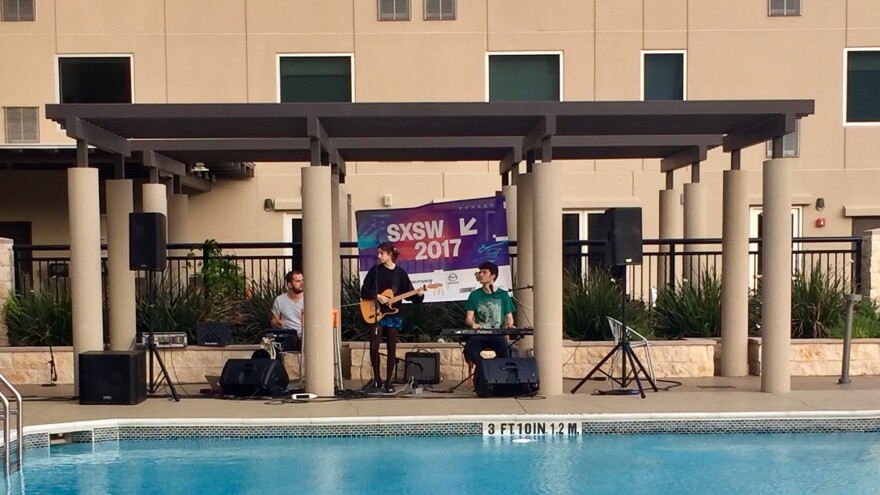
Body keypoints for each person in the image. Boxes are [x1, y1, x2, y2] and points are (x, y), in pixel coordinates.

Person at [360, 242, 425, 393]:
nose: (378, 256)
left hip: (394, 314)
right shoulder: (374, 271)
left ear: (389, 254)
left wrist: (419, 295)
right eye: (378, 253)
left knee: (391, 347)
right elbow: (364, 290)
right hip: (376, 313)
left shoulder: (400, 274)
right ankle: (377, 379)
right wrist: (377, 296)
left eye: (381, 253)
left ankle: (389, 381)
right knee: (374, 346)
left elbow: (410, 295)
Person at [464, 261, 515, 366]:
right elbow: (469, 318)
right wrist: (473, 324)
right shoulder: (474, 295)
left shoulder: (503, 294)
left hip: (497, 334)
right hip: (480, 334)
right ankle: (485, 368)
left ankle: (493, 370)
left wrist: (509, 325)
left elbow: (509, 317)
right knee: (470, 352)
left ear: (492, 276)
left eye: (484, 272)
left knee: (505, 353)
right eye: (480, 272)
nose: (481, 274)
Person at [270, 270, 304, 352]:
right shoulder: (280, 300)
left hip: (305, 335)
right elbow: (273, 321)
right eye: (298, 281)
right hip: (288, 336)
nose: (302, 283)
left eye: (302, 280)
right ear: (289, 284)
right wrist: (277, 324)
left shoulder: (309, 299)